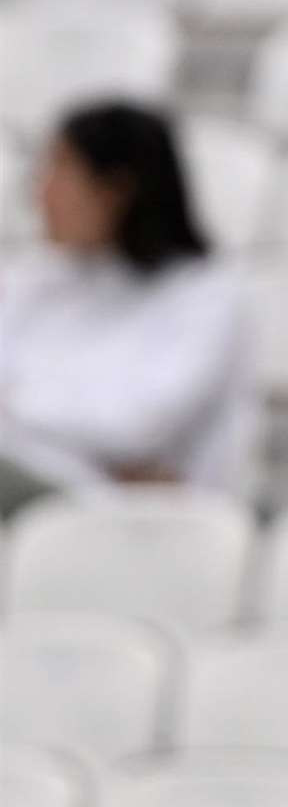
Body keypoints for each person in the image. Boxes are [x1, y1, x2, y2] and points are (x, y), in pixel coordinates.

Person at [0, 99, 254, 516]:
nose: (40, 192)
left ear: (118, 188)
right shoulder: (39, 278)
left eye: (61, 170)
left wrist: (15, 405)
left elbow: (137, 425)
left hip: (151, 524)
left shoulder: (207, 295)